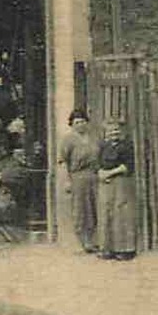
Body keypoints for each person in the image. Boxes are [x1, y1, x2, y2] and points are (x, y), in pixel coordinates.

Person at [58, 109, 101, 253]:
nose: (80, 125)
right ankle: (81, 242)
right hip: (78, 177)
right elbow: (63, 162)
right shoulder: (68, 140)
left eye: (83, 121)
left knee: (94, 209)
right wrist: (67, 181)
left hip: (94, 177)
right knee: (80, 209)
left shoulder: (94, 138)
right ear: (72, 124)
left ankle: (94, 240)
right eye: (77, 122)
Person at [96, 119, 137, 260]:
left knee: (121, 214)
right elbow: (98, 162)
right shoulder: (103, 146)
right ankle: (107, 248)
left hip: (121, 181)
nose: (114, 133)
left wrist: (110, 173)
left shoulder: (126, 146)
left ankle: (124, 249)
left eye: (117, 130)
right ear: (106, 133)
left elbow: (127, 166)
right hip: (105, 183)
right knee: (106, 214)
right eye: (111, 131)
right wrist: (101, 173)